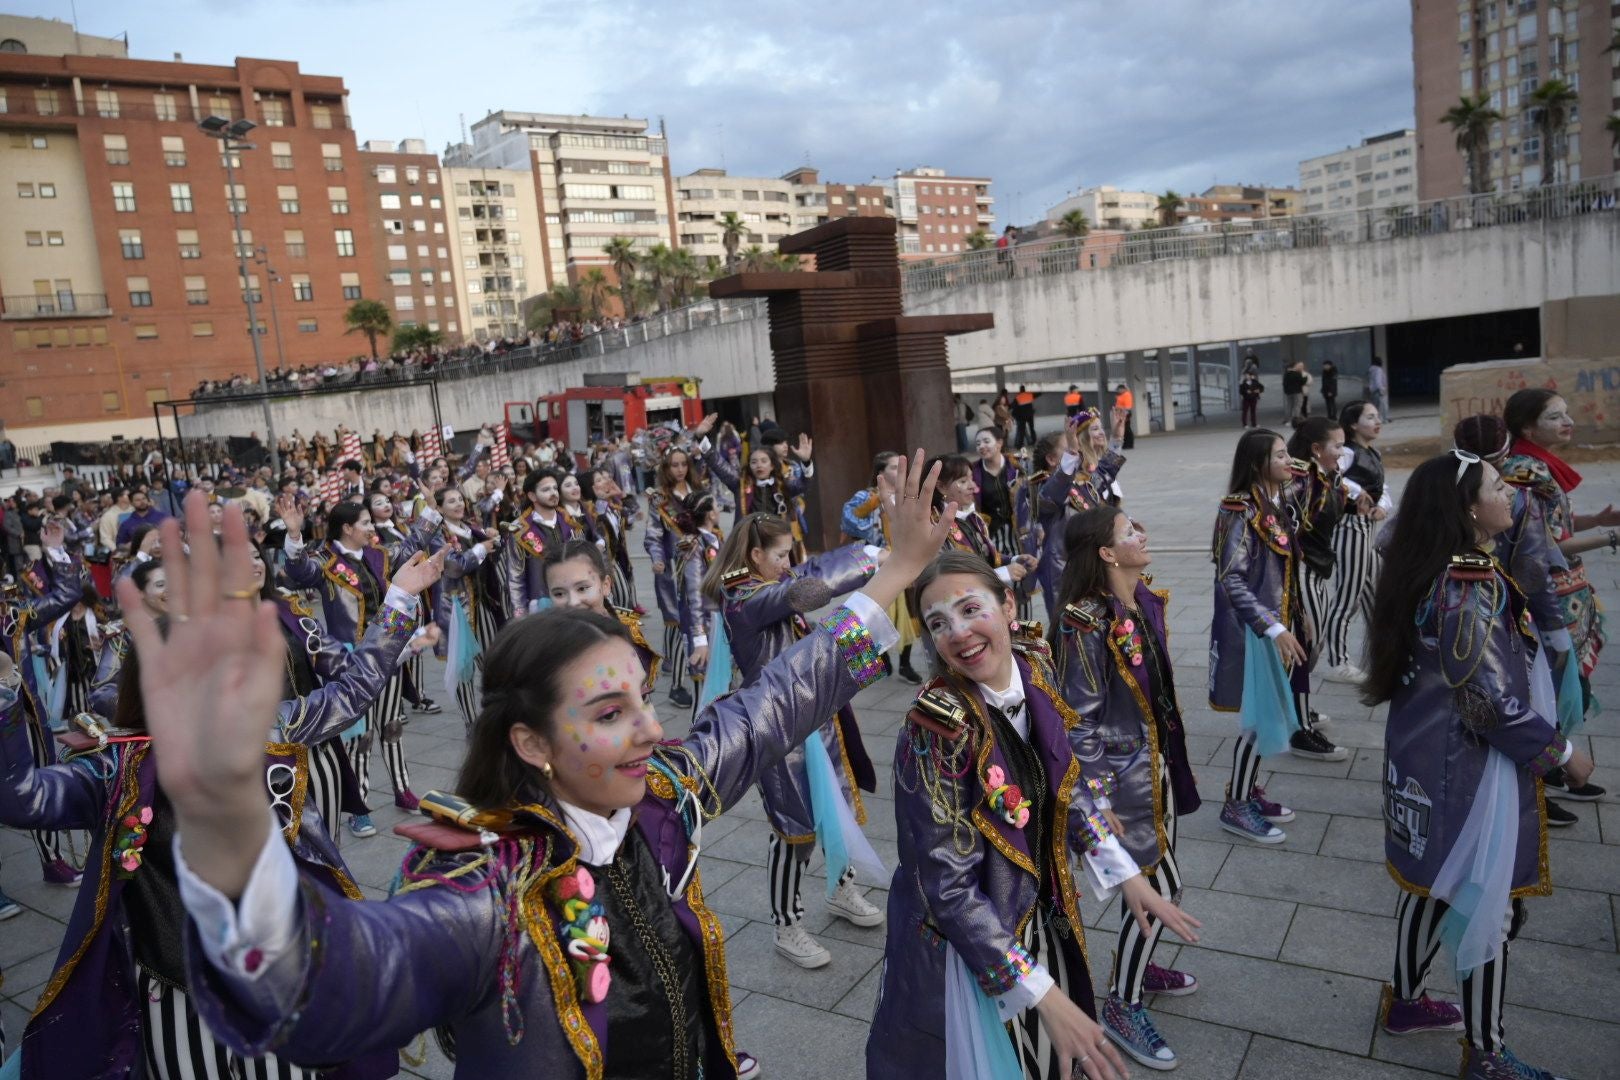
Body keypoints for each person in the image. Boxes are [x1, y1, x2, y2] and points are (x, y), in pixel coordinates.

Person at [142, 451, 950, 1079]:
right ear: (529, 744)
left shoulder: (664, 799)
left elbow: (783, 695)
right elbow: (325, 986)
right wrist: (232, 827)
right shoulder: (484, 891)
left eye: (641, 698)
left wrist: (897, 574)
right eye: (608, 713)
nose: (647, 729)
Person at [867, 550, 1191, 1079]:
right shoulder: (936, 731)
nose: (960, 632)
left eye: (972, 608)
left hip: (1041, 910)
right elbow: (946, 886)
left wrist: (1123, 870)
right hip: (972, 940)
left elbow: (1063, 777)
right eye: (938, 623)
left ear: (1009, 604)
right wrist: (1043, 992)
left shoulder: (1034, 663)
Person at [1365, 452, 1596, 1080]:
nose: (1512, 495)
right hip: (1466, 770)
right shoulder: (1469, 585)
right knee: (1490, 903)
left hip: (1424, 754)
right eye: (1499, 487)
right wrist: (1563, 755)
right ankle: (1485, 1052)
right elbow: (1486, 700)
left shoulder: (1432, 566)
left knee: (1433, 884)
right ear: (1469, 508)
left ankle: (1406, 1003)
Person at [1052, 507, 1204, 1070]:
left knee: (1160, 870)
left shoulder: (1138, 602)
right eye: (1129, 531)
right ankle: (1122, 1003)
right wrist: (1098, 794)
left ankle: (1138, 964)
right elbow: (1077, 716)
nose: (1143, 534)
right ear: (1108, 554)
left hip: (1155, 764)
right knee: (1162, 884)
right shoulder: (1084, 622)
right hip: (1121, 780)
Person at [703, 512, 885, 966]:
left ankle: (842, 889)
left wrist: (871, 558)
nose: (788, 564)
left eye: (790, 554)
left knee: (837, 805)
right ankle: (787, 924)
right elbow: (800, 590)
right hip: (775, 725)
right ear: (755, 555)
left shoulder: (765, 588)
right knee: (794, 827)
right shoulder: (742, 599)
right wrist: (874, 559)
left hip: (814, 714)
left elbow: (800, 580)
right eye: (781, 555)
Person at [1209, 430, 1331, 843]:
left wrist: (1297, 617)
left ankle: (1248, 790)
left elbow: (1287, 569)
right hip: (1254, 632)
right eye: (1280, 455)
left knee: (1270, 716)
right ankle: (1236, 806)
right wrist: (1273, 626)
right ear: (1257, 462)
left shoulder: (1276, 501)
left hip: (1275, 628)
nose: (1288, 460)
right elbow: (1232, 578)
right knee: (1257, 725)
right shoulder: (1239, 510)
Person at [1497, 388, 1616, 806]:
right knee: (1554, 691)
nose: (1567, 422)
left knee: (1564, 690)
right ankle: (1545, 777)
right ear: (1527, 427)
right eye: (1554, 417)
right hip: (1547, 600)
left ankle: (1556, 772)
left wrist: (1597, 520)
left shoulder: (1539, 467)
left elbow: (1556, 528)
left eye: (1566, 414)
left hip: (1566, 597)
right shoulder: (1526, 473)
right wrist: (1608, 537)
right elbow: (1539, 550)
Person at [282, 500, 420, 832]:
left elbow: (410, 557)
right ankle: (360, 806)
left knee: (392, 727)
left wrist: (428, 514)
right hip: (350, 662)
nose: (371, 528)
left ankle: (402, 788)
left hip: (387, 653)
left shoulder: (378, 556)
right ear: (347, 528)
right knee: (362, 735)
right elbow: (299, 571)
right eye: (365, 523)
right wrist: (293, 534)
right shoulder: (325, 562)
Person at [1283, 417, 1353, 758]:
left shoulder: (1327, 476)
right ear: (1315, 449)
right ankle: (1299, 729)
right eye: (1337, 446)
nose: (1342, 452)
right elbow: (1284, 532)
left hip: (1319, 571)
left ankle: (1296, 706)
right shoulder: (1298, 481)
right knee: (1305, 647)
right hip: (1302, 572)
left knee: (1311, 647)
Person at [1319, 401, 1390, 683]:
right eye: (1370, 417)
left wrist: (1382, 505)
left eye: (1377, 416)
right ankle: (1337, 662)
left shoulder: (1372, 453)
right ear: (1353, 424)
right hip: (1350, 527)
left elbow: (1383, 489)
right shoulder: (1346, 452)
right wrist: (1358, 492)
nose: (1377, 421)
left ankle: (1383, 657)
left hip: (1367, 528)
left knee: (1377, 598)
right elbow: (1330, 477)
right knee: (1348, 598)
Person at [1034, 412, 1125, 618]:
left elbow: (1105, 472)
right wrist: (1073, 452)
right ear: (1052, 460)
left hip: (1093, 563)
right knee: (1068, 627)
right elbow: (1054, 492)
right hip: (1064, 569)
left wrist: (1117, 438)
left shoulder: (1084, 482)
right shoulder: (1047, 489)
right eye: (1067, 449)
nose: (1074, 452)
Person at [645, 447, 698, 706]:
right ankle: (677, 684)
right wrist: (657, 559)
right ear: (666, 469)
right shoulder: (659, 500)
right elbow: (653, 535)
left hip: (700, 567)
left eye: (683, 464)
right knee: (676, 624)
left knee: (700, 622)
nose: (679, 469)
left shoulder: (698, 492)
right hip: (672, 571)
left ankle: (706, 672)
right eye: (674, 465)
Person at [1281, 361, 1306, 425]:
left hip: (1289, 392)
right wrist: (1305, 377)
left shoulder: (1286, 374)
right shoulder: (1297, 373)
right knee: (1297, 405)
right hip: (1297, 392)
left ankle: (1287, 420)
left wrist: (1286, 391)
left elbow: (1284, 384)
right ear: (1294, 366)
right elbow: (1302, 382)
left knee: (1289, 406)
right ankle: (1295, 419)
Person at [1367, 356, 1389, 420]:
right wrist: (1382, 389)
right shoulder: (1378, 370)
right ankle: (1384, 419)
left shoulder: (1370, 370)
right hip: (1378, 391)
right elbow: (1378, 381)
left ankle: (1375, 419)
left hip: (1372, 390)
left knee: (1375, 406)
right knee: (1383, 406)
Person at [1114, 384, 1135, 450]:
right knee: (1125, 429)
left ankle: (1129, 444)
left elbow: (1127, 406)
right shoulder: (1122, 395)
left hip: (1125, 412)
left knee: (1127, 429)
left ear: (1123, 389)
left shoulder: (1126, 394)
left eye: (1119, 389)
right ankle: (1126, 444)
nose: (1118, 391)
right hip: (1121, 413)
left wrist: (1125, 414)